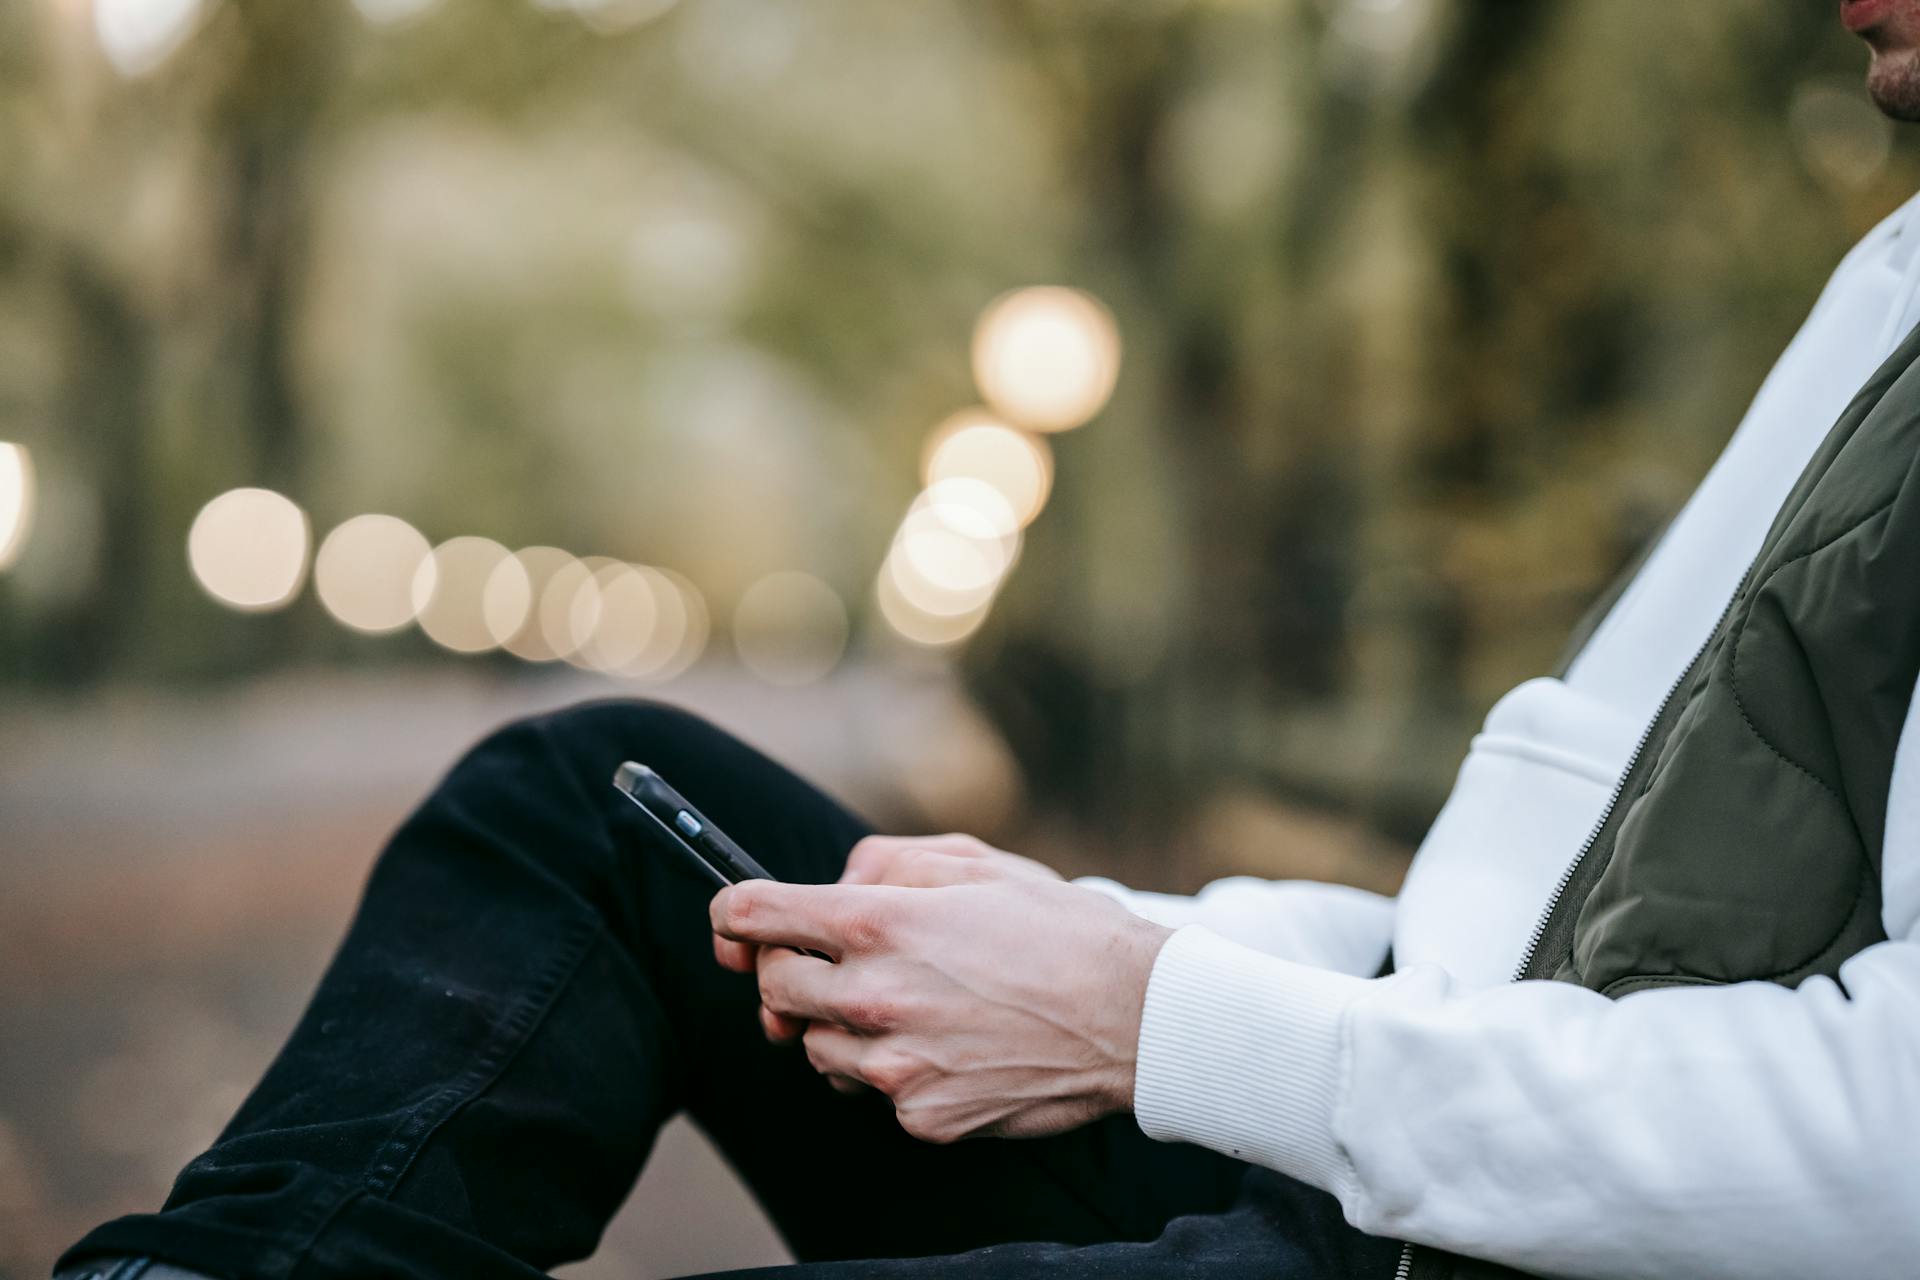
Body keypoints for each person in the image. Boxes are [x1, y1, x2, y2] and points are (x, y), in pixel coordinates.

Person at [56, 5, 1920, 1279]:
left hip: (1501, 1238)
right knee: (582, 796)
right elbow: (1528, 928)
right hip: (1403, 1142)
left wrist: (1149, 1025)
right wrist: (1122, 942)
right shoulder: (1889, 281)